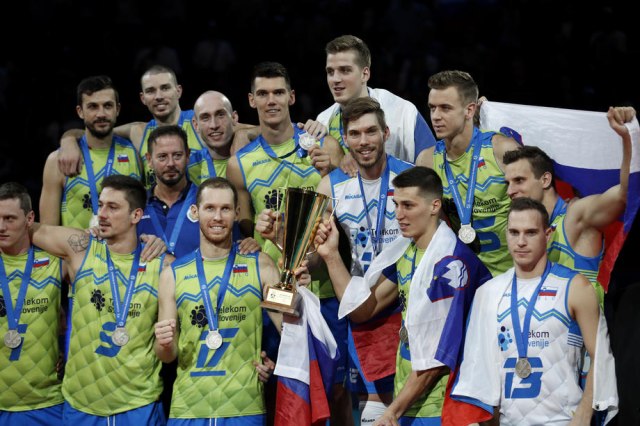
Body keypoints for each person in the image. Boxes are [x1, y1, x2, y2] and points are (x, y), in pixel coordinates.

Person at [315, 166, 491, 425]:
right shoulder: (405, 251)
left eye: (408, 205)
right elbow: (363, 309)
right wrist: (331, 255)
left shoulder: (450, 264)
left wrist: (392, 411)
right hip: (411, 399)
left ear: (434, 206)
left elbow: (437, 358)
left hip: (443, 406)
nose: (399, 214)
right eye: (396, 205)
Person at [226, 61, 347, 425]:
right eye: (262, 94)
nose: (271, 101)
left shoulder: (324, 146)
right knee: (282, 389)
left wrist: (332, 167)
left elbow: (348, 203)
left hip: (325, 287)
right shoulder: (239, 164)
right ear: (251, 100)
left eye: (279, 92)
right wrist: (251, 238)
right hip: (276, 293)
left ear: (292, 97)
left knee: (335, 389)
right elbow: (246, 228)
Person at [153, 177, 308, 424]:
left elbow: (291, 328)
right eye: (209, 208)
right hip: (188, 408)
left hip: (245, 407)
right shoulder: (172, 275)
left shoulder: (261, 266)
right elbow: (167, 355)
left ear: (236, 213)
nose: (217, 217)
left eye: (225, 209)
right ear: (195, 212)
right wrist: (164, 343)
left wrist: (276, 364)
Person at [451, 197, 618, 425]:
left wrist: (583, 414)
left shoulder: (575, 287)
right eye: (514, 232)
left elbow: (601, 354)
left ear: (547, 235)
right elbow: (478, 369)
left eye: (530, 233)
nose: (521, 241)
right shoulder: (488, 293)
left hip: (562, 420)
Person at [29, 175, 172, 424]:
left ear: (136, 215)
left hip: (139, 405)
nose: (101, 214)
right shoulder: (80, 248)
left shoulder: (163, 266)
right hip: (82, 405)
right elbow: (22, 227)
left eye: (113, 207)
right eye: (101, 205)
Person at [502, 106, 635, 305]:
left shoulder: (575, 216)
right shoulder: (524, 228)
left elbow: (624, 193)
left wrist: (627, 137)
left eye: (519, 180)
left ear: (545, 180)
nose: (510, 191)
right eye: (508, 183)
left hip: (582, 324)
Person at [416, 70, 521, 277]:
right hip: (464, 279)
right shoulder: (427, 161)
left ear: (469, 110)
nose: (436, 116)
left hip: (512, 275)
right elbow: (433, 226)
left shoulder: (501, 150)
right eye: (432, 108)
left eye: (445, 108)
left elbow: (535, 209)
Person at [57, 65, 204, 188]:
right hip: (158, 213)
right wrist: (68, 140)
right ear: (143, 98)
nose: (158, 96)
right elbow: (97, 131)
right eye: (151, 91)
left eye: (165, 88)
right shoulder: (138, 132)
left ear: (178, 91)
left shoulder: (200, 122)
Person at [314, 34, 436, 175]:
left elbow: (433, 165)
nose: (335, 79)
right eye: (330, 72)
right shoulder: (323, 120)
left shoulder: (402, 111)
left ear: (365, 74)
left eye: (345, 70)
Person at [0, 182, 65, 424]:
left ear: (29, 219)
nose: (1, 227)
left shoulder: (55, 263)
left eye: (9, 219)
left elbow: (87, 243)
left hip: (47, 404)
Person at [40, 75, 142, 228]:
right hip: (77, 244)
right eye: (93, 107)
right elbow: (48, 231)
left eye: (108, 106)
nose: (101, 114)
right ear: (80, 111)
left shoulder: (135, 154)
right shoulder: (57, 160)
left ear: (118, 109)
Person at [189, 90, 257, 183]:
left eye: (220, 115)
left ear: (234, 118)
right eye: (205, 118)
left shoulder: (258, 152)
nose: (214, 125)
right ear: (196, 125)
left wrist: (245, 133)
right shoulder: (190, 167)